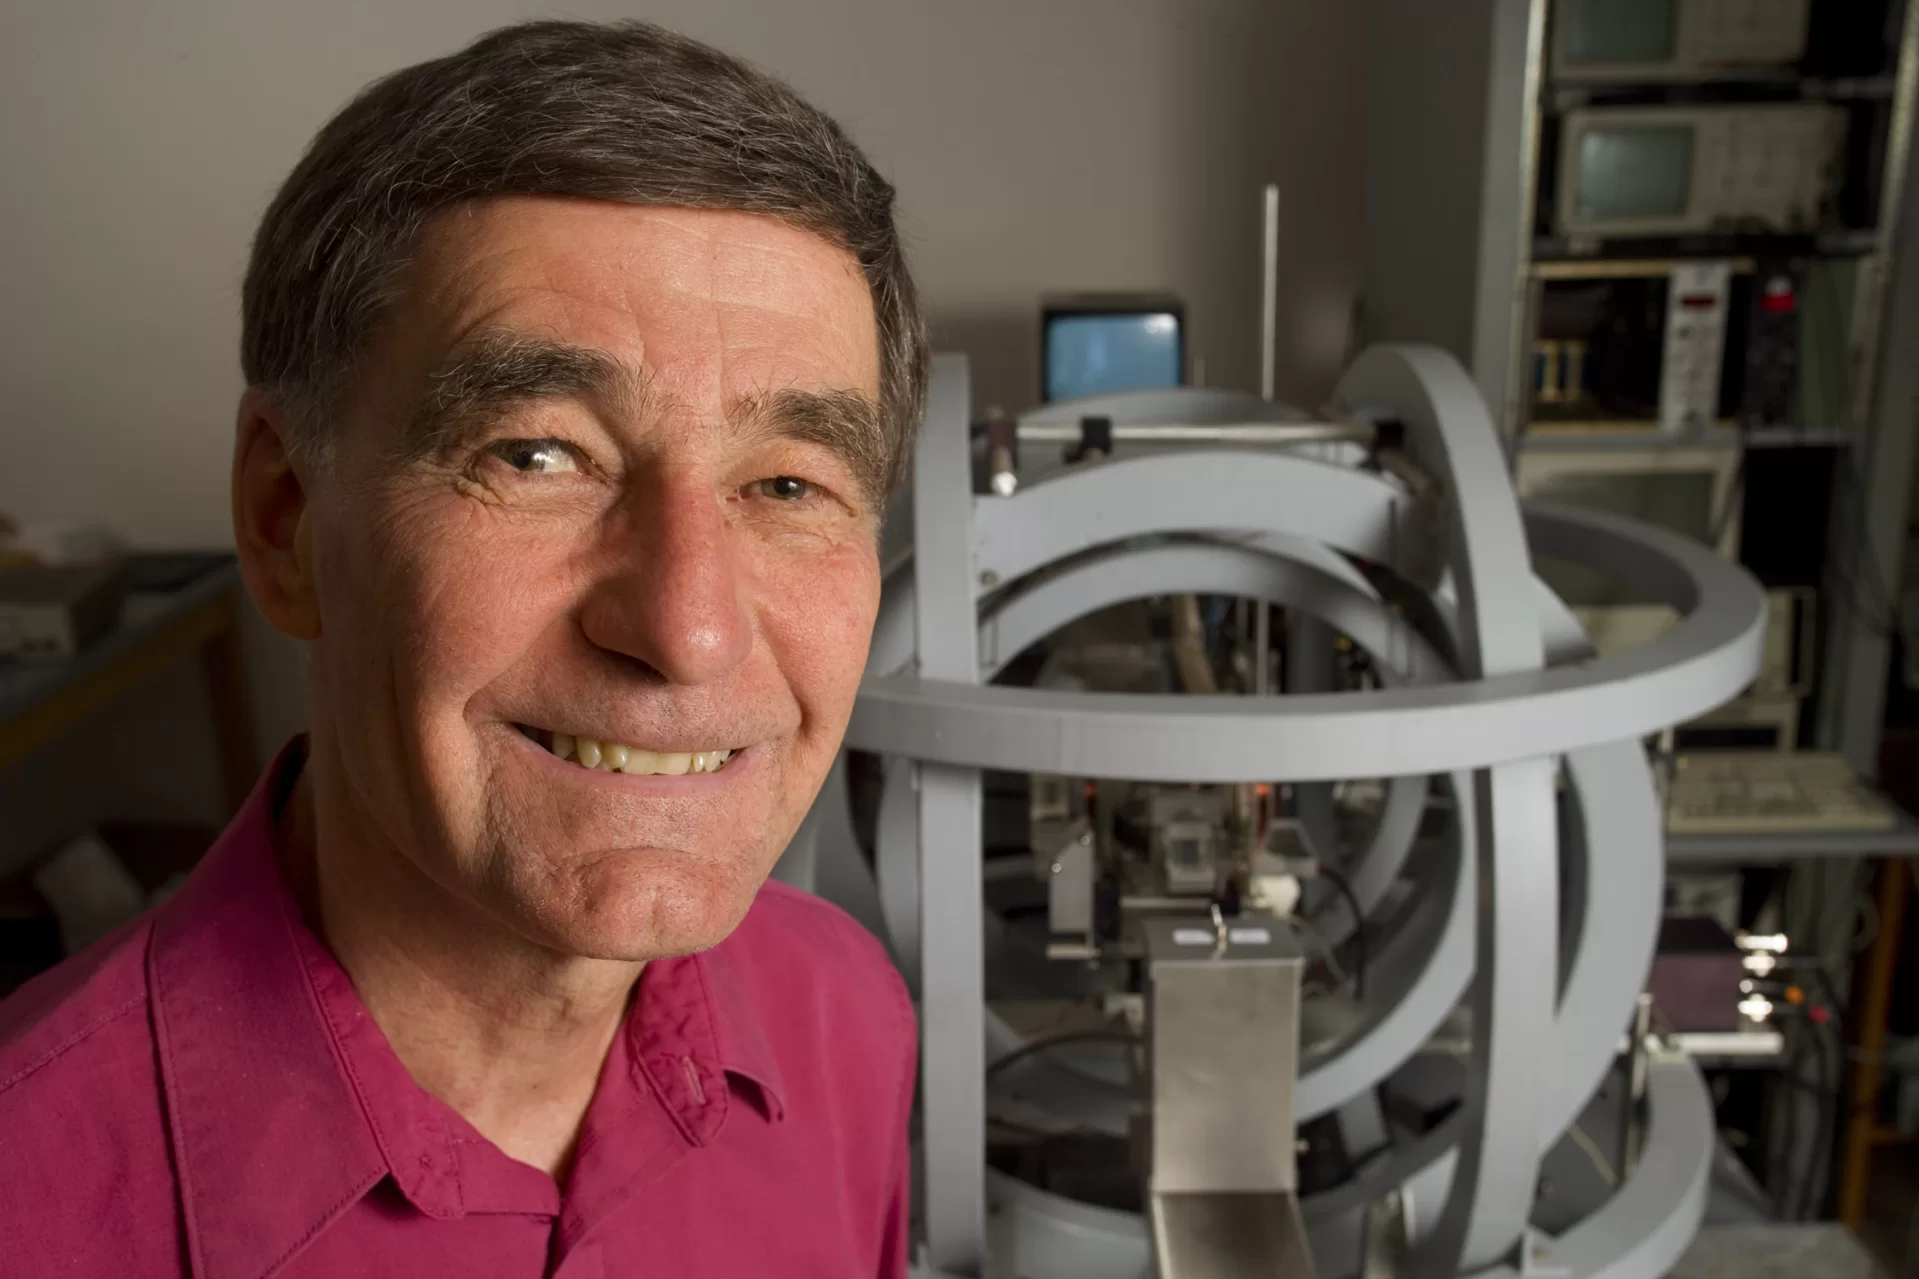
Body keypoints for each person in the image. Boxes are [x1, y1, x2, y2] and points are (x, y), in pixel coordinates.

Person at [0, 20, 925, 1278]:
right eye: (537, 455)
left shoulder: (847, 1022)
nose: (691, 630)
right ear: (285, 519)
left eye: (789, 484)